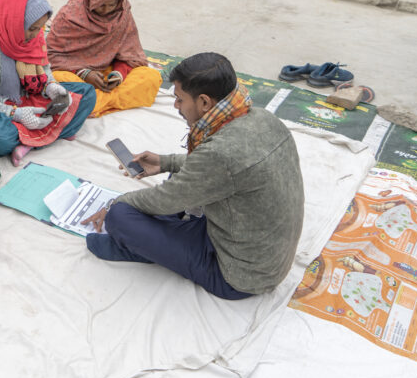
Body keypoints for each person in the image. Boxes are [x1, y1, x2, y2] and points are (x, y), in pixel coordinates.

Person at [82, 53, 304, 300]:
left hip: (237, 276)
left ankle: (140, 247)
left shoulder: (220, 152)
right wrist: (166, 162)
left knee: (121, 216)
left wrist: (115, 203)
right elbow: (229, 169)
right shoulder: (263, 118)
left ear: (205, 103)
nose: (176, 106)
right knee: (176, 180)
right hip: (259, 253)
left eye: (179, 99)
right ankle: (153, 244)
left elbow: (169, 196)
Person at [0, 0, 96, 166]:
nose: (35, 35)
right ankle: (51, 132)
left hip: (30, 95)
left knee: (87, 95)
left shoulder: (34, 35)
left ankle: (28, 143)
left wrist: (51, 87)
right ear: (15, 21)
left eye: (39, 28)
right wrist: (15, 113)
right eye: (31, 29)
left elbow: (43, 67)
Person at [48, 0, 162, 116]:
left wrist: (118, 74)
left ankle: (92, 104)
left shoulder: (122, 13)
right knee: (58, 79)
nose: (106, 10)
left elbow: (130, 55)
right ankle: (104, 102)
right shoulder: (70, 16)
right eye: (101, 5)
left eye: (111, 5)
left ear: (119, 2)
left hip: (106, 72)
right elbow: (52, 57)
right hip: (75, 74)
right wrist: (84, 73)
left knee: (150, 76)